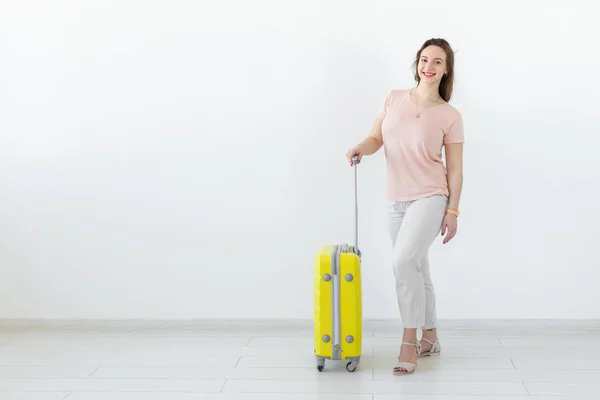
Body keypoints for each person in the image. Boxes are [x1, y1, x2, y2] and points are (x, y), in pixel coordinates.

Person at [346, 38, 464, 375]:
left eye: (437, 62)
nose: (428, 66)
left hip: (431, 195)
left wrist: (452, 211)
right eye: (424, 59)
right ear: (417, 64)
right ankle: (431, 336)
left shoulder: (450, 116)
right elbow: (375, 138)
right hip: (396, 199)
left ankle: (409, 339)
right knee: (417, 267)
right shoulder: (393, 99)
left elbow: (455, 169)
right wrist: (360, 147)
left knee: (402, 262)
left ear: (446, 70)